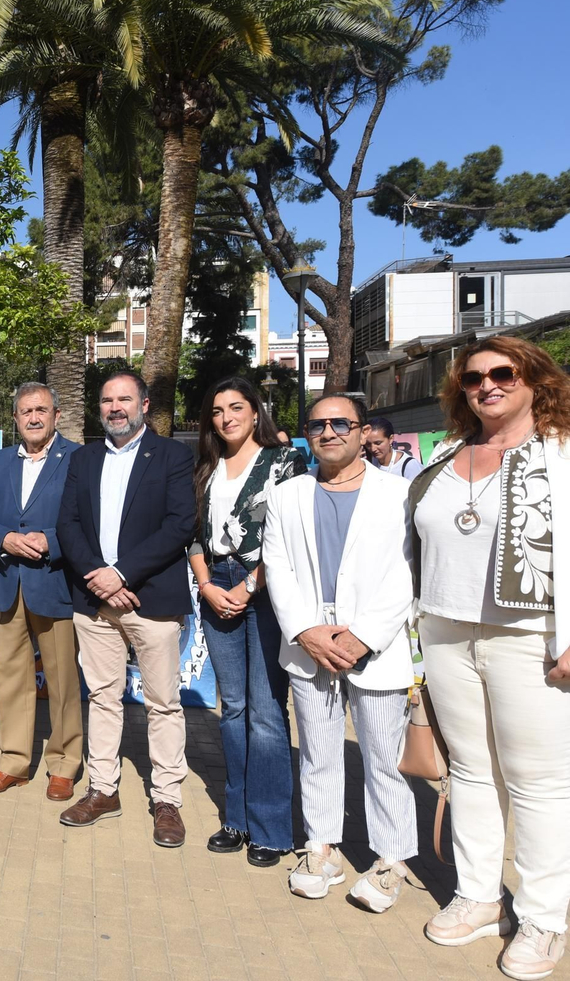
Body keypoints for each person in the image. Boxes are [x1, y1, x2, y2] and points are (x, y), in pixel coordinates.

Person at [411, 336, 569, 980]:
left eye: (504, 374)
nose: (487, 386)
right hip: (446, 631)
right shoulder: (445, 454)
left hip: (530, 634)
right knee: (471, 772)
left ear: (535, 381)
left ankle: (544, 916)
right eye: (474, 378)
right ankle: (480, 895)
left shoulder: (560, 455)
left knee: (538, 783)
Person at [263, 394, 419, 911]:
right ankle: (321, 847)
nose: (328, 432)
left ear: (362, 429)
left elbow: (407, 572)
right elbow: (278, 566)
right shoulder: (288, 495)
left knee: (383, 759)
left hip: (376, 645)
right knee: (318, 754)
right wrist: (306, 630)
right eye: (317, 424)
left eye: (340, 423)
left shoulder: (399, 494)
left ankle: (392, 859)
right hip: (310, 646)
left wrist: (364, 636)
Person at [56, 370, 196, 847]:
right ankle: (102, 790)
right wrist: (100, 575)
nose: (115, 407)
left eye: (124, 399)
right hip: (94, 602)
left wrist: (122, 573)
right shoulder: (84, 458)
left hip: (150, 599)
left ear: (144, 404)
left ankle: (167, 800)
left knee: (163, 703)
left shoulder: (174, 455)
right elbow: (68, 524)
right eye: (107, 400)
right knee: (102, 698)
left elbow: (180, 525)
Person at [187, 377, 306, 866]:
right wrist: (208, 585)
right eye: (217, 411)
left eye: (236, 408)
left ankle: (272, 829)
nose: (227, 418)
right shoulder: (207, 468)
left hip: (266, 587)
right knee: (231, 707)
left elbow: (290, 534)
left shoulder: (284, 462)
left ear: (256, 412)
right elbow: (192, 536)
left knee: (266, 710)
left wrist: (247, 586)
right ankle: (235, 819)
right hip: (216, 584)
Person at [0, 382, 82, 800]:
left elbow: (85, 520)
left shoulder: (77, 459)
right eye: (25, 412)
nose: (33, 418)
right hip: (5, 583)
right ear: (15, 418)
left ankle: (65, 763)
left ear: (55, 415)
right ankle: (14, 761)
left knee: (63, 681)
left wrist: (50, 540)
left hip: (53, 584)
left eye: (41, 410)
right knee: (12, 679)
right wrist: (3, 539)